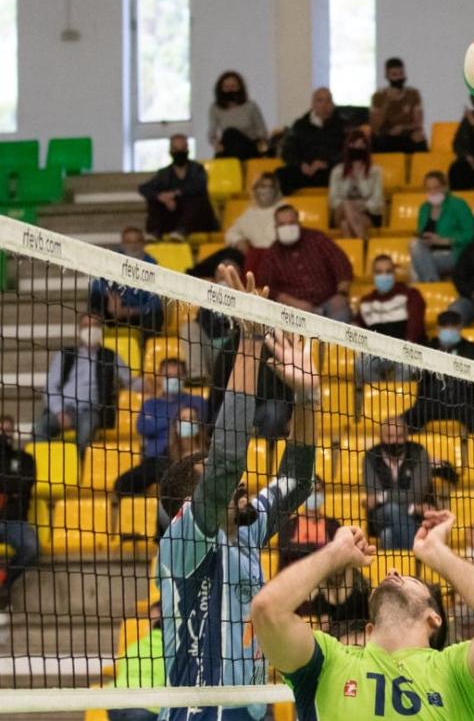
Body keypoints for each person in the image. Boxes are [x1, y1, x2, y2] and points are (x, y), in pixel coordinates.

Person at [156, 272, 317, 721]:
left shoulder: (244, 528)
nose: (240, 483)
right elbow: (226, 462)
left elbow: (297, 482)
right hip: (202, 714)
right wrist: (248, 340)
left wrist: (307, 397)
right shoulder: (182, 543)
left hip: (252, 710)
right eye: (220, 483)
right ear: (191, 502)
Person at [251, 511, 474, 721]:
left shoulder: (456, 672)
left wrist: (438, 553)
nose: (392, 571)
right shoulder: (328, 661)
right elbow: (267, 611)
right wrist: (335, 553)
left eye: (409, 578)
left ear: (434, 618)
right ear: (369, 630)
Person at [33, 312, 135, 454]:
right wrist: (59, 411)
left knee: (87, 429)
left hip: (90, 411)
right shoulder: (65, 354)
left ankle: (78, 467)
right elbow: (50, 387)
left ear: (101, 329)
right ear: (79, 330)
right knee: (39, 428)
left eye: (95, 325)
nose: (90, 329)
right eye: (86, 326)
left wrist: (149, 384)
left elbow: (130, 381)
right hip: (63, 409)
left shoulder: (111, 356)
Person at [254, 205, 354, 323]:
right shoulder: (271, 254)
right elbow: (265, 286)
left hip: (329, 301)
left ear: (298, 223)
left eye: (291, 223)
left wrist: (342, 294)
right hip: (294, 310)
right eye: (282, 224)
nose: (287, 227)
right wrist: (291, 302)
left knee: (341, 311)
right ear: (276, 228)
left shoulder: (317, 239)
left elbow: (342, 265)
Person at [403, 311, 474, 434]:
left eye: (453, 327)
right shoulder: (428, 347)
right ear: (438, 329)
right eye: (445, 327)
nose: (449, 330)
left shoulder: (471, 349)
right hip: (433, 402)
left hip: (463, 402)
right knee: (402, 423)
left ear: (460, 328)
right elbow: (421, 379)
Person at [364, 418, 443, 550]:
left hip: (418, 518)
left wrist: (381, 497)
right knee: (390, 509)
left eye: (400, 436)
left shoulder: (419, 453)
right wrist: (413, 507)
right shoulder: (370, 457)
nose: (395, 441)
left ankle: (404, 565)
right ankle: (417, 554)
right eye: (390, 436)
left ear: (407, 436)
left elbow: (416, 495)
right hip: (381, 517)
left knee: (387, 535)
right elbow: (373, 494)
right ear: (380, 437)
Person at [116, 398, 206, 511]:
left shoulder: (210, 453)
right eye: (183, 419)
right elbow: (122, 484)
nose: (188, 422)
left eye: (192, 418)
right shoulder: (164, 458)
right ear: (176, 425)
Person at [356, 254, 427, 384]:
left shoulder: (410, 294)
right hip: (379, 352)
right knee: (361, 363)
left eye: (388, 272)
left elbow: (416, 326)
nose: (384, 276)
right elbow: (359, 327)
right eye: (379, 272)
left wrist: (407, 349)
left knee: (406, 367)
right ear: (373, 275)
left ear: (394, 273)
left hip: (407, 350)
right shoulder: (365, 302)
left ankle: (397, 399)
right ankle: (380, 396)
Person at [139, 134, 219, 240]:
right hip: (173, 220)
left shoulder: (198, 169)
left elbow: (198, 186)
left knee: (196, 198)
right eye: (176, 149)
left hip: (198, 221)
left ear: (187, 149)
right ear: (170, 151)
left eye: (182, 148)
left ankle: (182, 231)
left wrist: (174, 194)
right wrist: (161, 197)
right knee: (154, 199)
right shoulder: (165, 173)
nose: (179, 152)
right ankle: (154, 232)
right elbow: (144, 188)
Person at [88, 228, 165, 335]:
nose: (133, 246)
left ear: (143, 243)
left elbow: (155, 304)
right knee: (96, 297)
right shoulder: (112, 259)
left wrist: (130, 311)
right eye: (129, 242)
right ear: (122, 244)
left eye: (136, 241)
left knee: (155, 315)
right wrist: (110, 295)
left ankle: (147, 348)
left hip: (138, 316)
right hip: (114, 313)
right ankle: (92, 340)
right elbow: (97, 284)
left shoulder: (152, 266)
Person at [276, 87, 346, 196]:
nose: (324, 105)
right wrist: (301, 164)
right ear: (313, 104)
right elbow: (288, 150)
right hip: (304, 171)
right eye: (320, 100)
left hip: (329, 172)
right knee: (280, 175)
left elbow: (346, 151)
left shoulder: (342, 126)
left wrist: (326, 163)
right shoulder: (300, 125)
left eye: (328, 101)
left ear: (333, 104)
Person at [408, 170, 474, 282]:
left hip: (455, 252)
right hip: (430, 252)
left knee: (415, 267)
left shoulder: (458, 205)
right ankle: (433, 285)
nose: (432, 192)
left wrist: (444, 240)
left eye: (436, 187)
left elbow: (472, 234)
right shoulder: (424, 209)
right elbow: (421, 233)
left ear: (445, 187)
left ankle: (430, 290)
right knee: (415, 244)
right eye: (428, 189)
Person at [107, 601, 165, 721]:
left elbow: (120, 672)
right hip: (147, 707)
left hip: (114, 703)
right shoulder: (174, 651)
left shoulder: (132, 648)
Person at [0, 421, 35, 619]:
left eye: (8, 430)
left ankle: (4, 582)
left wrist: (7, 488)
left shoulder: (25, 458)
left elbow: (25, 485)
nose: (5, 434)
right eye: (1, 430)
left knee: (31, 545)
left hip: (15, 521)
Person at [328, 130, 385, 239]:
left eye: (362, 145)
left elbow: (378, 200)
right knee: (346, 204)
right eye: (354, 145)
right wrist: (350, 205)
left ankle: (355, 252)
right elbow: (333, 200)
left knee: (345, 225)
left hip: (367, 214)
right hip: (340, 212)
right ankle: (364, 242)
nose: (358, 149)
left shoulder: (375, 171)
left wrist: (363, 205)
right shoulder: (337, 171)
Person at [277, 476, 340, 569]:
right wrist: (315, 547)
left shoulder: (333, 525)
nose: (313, 495)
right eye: (310, 491)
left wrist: (304, 549)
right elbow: (285, 550)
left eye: (317, 491)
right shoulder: (288, 525)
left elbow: (338, 553)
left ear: (324, 494)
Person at [369, 56, 426, 153]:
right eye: (394, 75)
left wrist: (402, 128)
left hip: (407, 135)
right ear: (387, 76)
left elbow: (418, 124)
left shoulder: (413, 94)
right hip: (386, 136)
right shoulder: (378, 96)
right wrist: (387, 101)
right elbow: (375, 126)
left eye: (401, 74)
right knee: (374, 140)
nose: (399, 77)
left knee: (419, 137)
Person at [208, 71, 269, 159]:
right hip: (228, 147)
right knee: (228, 136)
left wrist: (263, 150)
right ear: (221, 89)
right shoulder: (215, 108)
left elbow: (262, 132)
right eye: (226, 87)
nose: (230, 90)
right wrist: (216, 144)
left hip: (249, 146)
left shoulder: (250, 106)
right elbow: (212, 133)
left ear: (240, 88)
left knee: (230, 133)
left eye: (233, 86)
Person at [224, 172, 282, 256]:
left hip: (279, 256)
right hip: (256, 257)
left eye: (270, 187)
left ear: (275, 190)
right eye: (263, 186)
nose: (267, 190)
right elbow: (231, 233)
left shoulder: (283, 209)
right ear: (256, 189)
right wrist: (239, 240)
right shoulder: (248, 214)